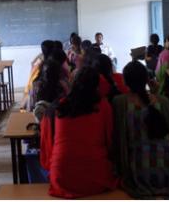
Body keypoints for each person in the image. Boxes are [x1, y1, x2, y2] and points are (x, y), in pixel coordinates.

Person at [40, 66, 118, 198]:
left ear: (73, 83)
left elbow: (46, 149)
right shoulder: (103, 106)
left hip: (61, 178)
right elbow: (110, 142)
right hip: (97, 177)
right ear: (97, 86)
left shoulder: (57, 107)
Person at [112, 60, 169, 199]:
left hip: (139, 168)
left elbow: (118, 139)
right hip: (168, 166)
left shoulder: (120, 102)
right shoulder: (162, 101)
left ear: (125, 81)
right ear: (147, 79)